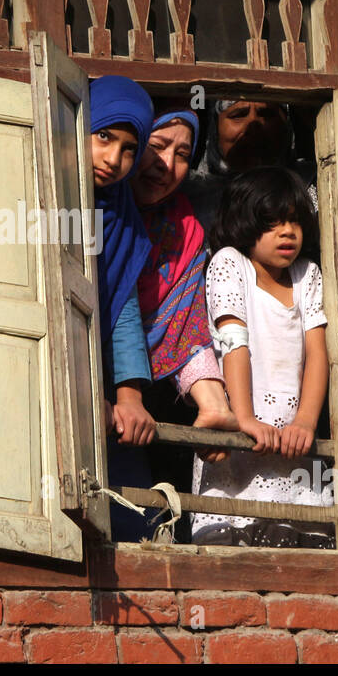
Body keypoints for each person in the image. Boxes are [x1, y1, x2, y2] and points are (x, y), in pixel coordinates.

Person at [194, 166, 332, 548]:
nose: (287, 232)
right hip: (241, 440)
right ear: (243, 221)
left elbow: (317, 355)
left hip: (293, 446)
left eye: (295, 221)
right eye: (272, 222)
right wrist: (244, 419)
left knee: (300, 551)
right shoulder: (229, 263)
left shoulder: (307, 275)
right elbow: (233, 342)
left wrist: (305, 422)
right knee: (235, 547)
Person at [131, 107, 236, 434]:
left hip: (149, 405)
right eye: (156, 146)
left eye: (182, 155)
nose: (166, 164)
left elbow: (189, 323)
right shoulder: (96, 212)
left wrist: (214, 405)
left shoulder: (184, 227)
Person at [88, 75, 159, 542]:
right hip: (39, 381)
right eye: (103, 136)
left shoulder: (122, 220)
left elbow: (124, 312)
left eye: (129, 149)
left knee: (129, 524)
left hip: (103, 400)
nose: (114, 159)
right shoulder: (37, 201)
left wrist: (129, 396)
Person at [184, 98, 302, 234]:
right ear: (215, 128)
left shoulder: (310, 187)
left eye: (266, 114)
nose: (253, 126)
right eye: (238, 115)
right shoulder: (187, 204)